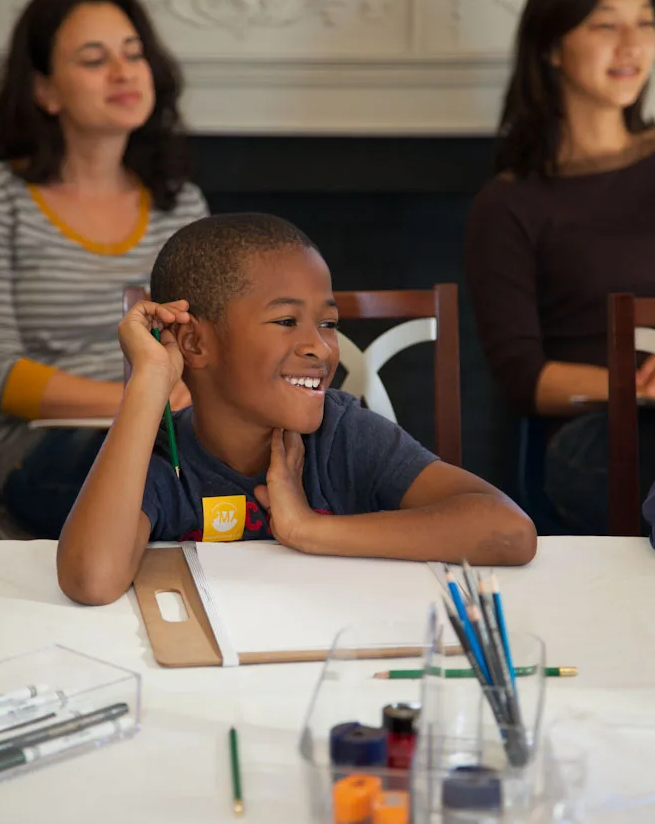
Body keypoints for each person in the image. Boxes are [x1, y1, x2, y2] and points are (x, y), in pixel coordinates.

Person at [56, 212, 536, 606]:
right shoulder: (161, 456)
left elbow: (510, 531)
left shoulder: (342, 434)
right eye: (287, 321)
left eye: (328, 323)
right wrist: (149, 382)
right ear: (195, 343)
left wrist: (309, 529)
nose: (321, 348)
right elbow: (91, 580)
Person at [0, 0, 208, 538]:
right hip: (51, 446)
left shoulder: (180, 201)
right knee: (150, 471)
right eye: (94, 59)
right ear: (45, 90)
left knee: (319, 440)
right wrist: (141, 400)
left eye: (133, 54)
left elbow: (205, 340)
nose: (124, 72)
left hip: (174, 425)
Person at [464, 0, 655, 535]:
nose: (632, 45)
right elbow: (524, 379)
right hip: (600, 436)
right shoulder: (510, 203)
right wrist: (641, 389)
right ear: (551, 46)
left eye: (646, 22)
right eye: (606, 24)